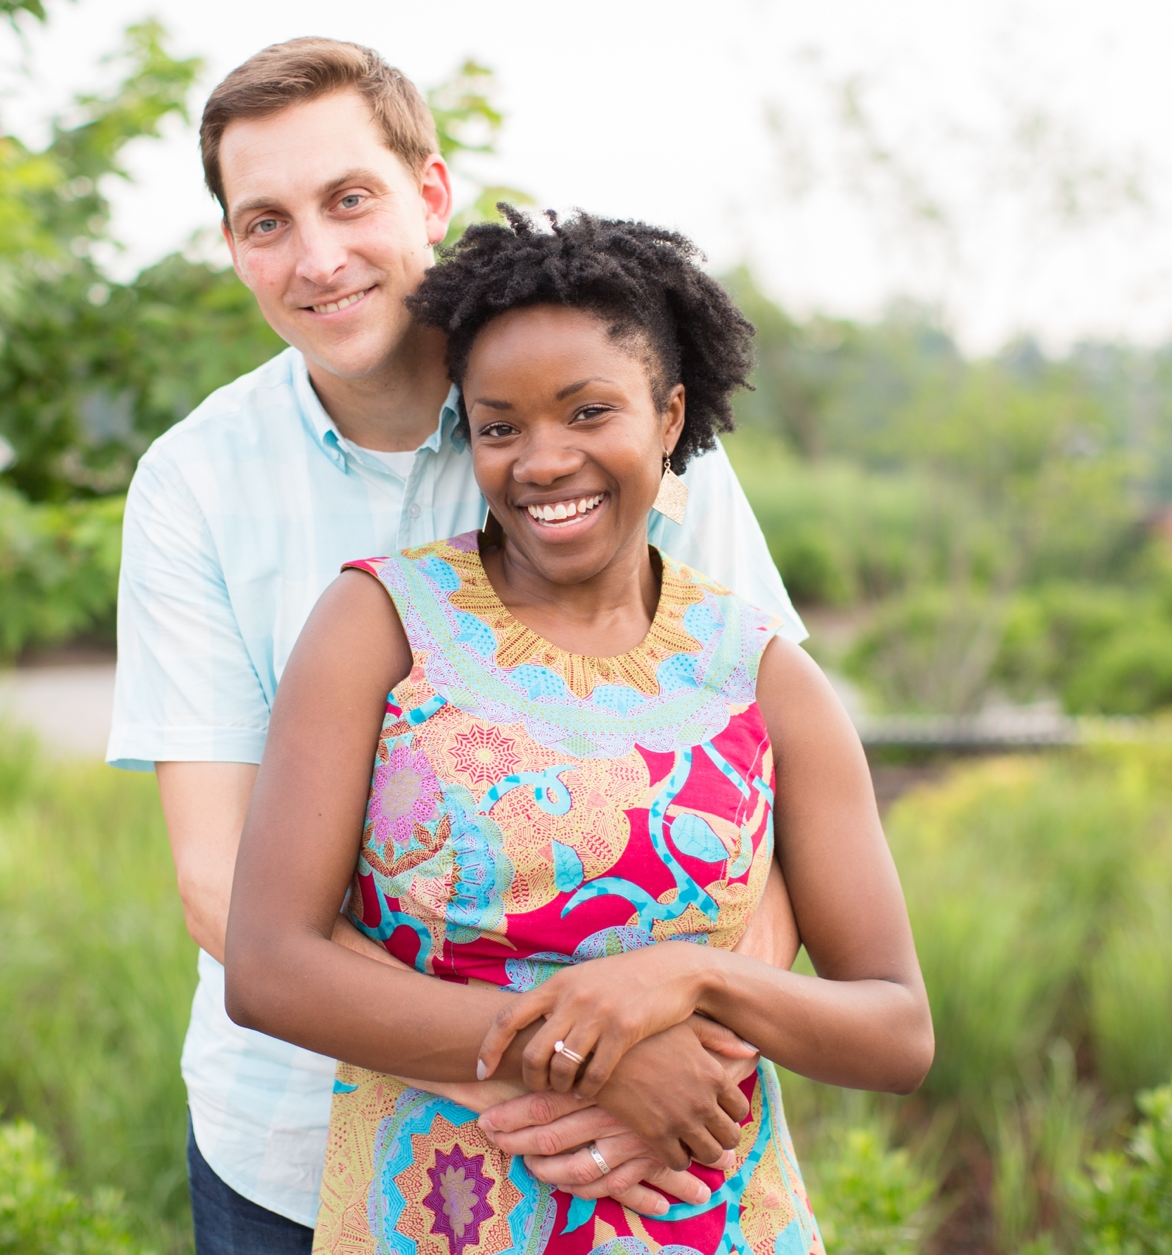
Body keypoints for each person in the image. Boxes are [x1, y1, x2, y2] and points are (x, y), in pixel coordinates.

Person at [108, 38, 812, 1254]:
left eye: (348, 199)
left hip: (655, 1150)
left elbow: (783, 791)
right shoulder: (192, 485)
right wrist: (552, 1074)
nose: (316, 257)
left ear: (428, 192)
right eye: (264, 220)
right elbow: (219, 883)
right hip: (296, 1146)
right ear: (230, 246)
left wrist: (694, 1044)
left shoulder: (610, 427)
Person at [224, 208, 932, 1254]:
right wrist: (589, 1058)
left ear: (668, 413)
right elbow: (267, 962)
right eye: (500, 426)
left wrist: (690, 977)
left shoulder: (762, 675)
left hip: (710, 1224)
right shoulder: (381, 624)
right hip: (438, 1217)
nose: (541, 460)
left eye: (588, 411)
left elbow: (895, 1028)